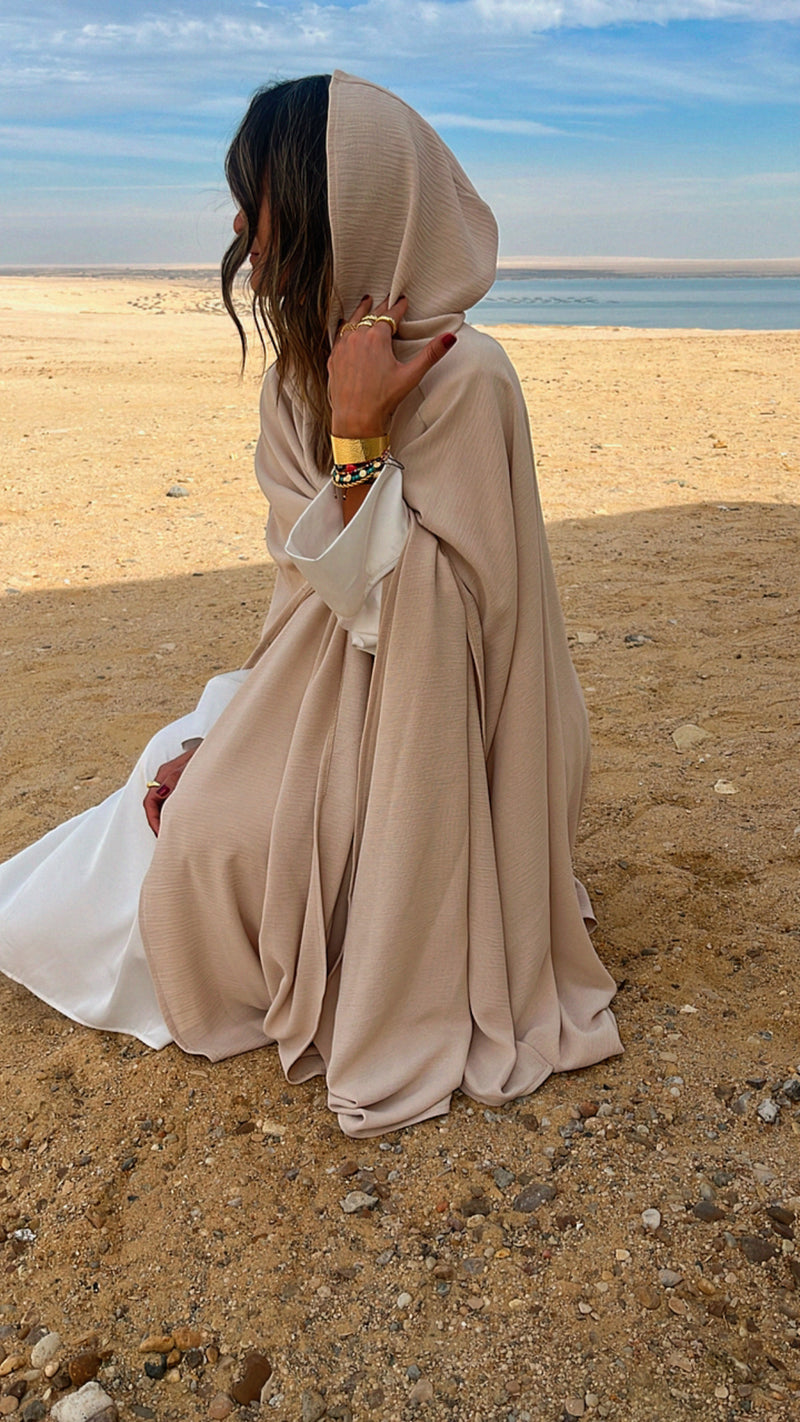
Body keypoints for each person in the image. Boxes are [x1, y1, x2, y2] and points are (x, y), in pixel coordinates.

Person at [0, 72, 622, 1137]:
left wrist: (360, 440)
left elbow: (445, 627)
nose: (244, 237)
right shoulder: (298, 378)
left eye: (263, 206)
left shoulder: (470, 379)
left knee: (209, 850)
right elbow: (309, 602)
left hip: (452, 734)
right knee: (159, 783)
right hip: (330, 688)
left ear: (342, 210)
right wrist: (243, 735)